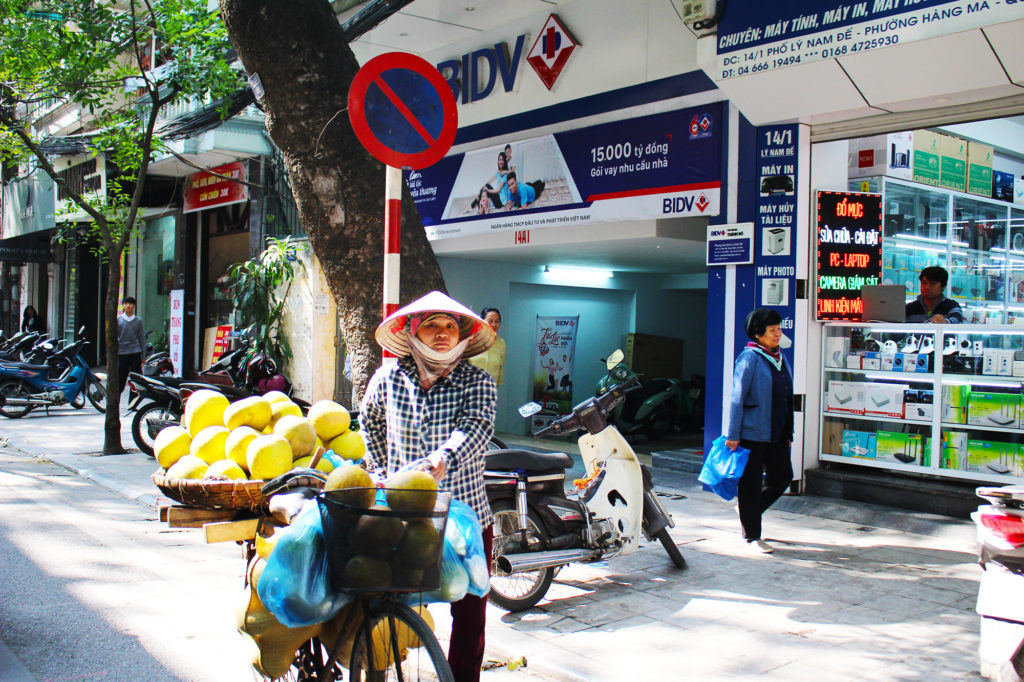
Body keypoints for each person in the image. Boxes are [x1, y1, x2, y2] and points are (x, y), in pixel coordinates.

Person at [360, 291, 497, 682]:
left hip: (465, 516)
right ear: (413, 332)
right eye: (432, 326)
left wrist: (442, 460)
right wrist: (382, 469)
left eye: (450, 327)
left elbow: (475, 430)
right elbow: (368, 421)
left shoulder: (478, 382)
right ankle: (380, 669)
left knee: (469, 614)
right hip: (403, 515)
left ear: (462, 336)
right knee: (388, 600)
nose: (442, 334)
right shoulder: (388, 377)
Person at [724, 308, 794, 554]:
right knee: (750, 485)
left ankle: (747, 510)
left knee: (782, 478)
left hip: (777, 431)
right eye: (772, 330)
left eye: (779, 329)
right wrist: (733, 434)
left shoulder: (779, 357)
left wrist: (789, 432)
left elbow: (787, 397)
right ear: (758, 333)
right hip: (752, 433)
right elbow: (737, 397)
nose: (778, 334)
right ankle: (752, 535)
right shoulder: (750, 358)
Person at [116, 297, 146, 399]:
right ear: (123, 305)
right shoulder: (118, 320)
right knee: (120, 378)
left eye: (130, 304)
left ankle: (133, 403)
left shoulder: (138, 320)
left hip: (135, 352)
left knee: (136, 379)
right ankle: (116, 401)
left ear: (134, 306)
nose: (128, 306)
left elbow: (141, 338)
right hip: (122, 353)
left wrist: (143, 355)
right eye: (126, 303)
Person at [468, 307, 505, 385]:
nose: (494, 324)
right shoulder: (471, 340)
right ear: (482, 321)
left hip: (490, 390)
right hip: (470, 388)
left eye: (497, 321)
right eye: (490, 321)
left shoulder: (501, 343)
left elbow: (501, 369)